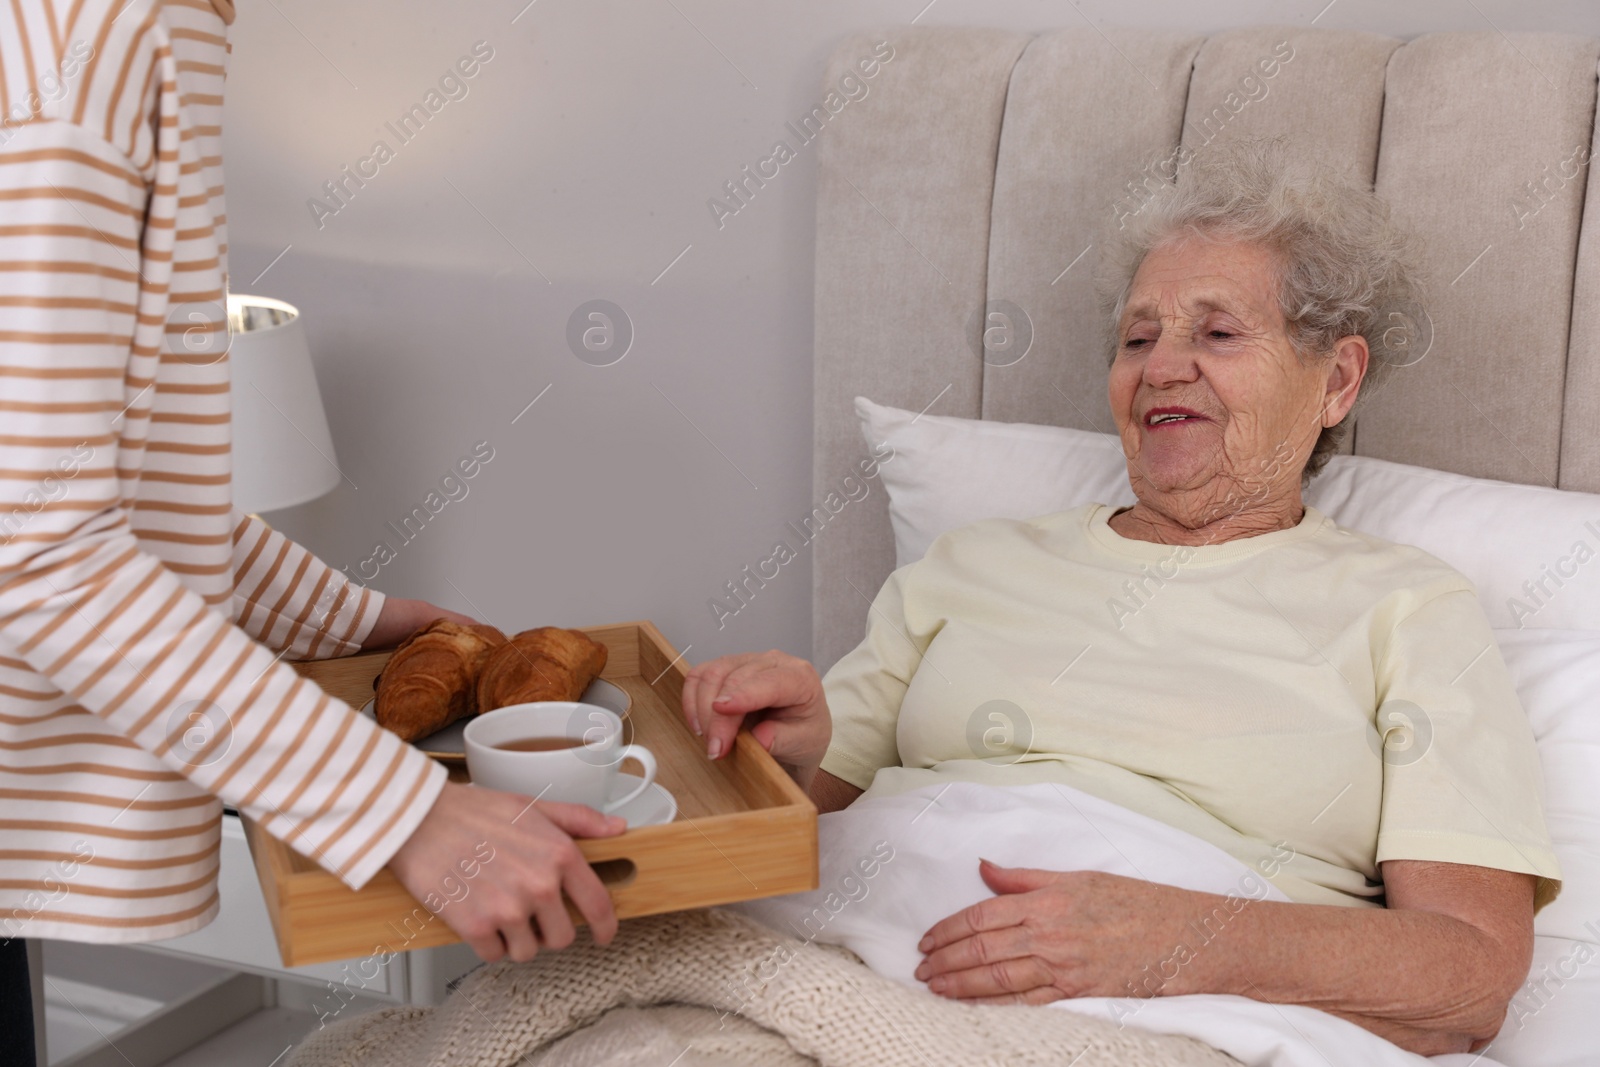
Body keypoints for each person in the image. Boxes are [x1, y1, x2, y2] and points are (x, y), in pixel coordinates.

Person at [682, 140, 1561, 1057]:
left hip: (1161, 1013)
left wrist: (1173, 939)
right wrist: (787, 750)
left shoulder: (1407, 607)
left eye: (1218, 334)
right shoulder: (972, 562)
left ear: (1337, 379)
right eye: (1138, 339)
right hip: (851, 944)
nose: (1162, 367)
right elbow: (807, 822)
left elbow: (1471, 973)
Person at [0, 5, 619, 1060]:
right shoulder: (85, 33)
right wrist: (407, 811)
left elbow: (100, 476)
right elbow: (37, 545)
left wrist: (351, 615)